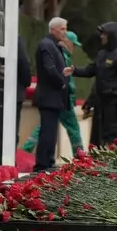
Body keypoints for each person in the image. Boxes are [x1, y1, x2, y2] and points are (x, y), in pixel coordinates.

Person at [68, 21, 117, 145]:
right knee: (97, 136)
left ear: (112, 36)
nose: (101, 36)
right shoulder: (101, 54)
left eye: (104, 34)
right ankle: (98, 163)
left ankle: (112, 163)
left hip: (113, 104)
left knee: (112, 136)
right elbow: (90, 71)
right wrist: (74, 70)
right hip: (100, 103)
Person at [32, 18, 70, 171]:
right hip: (48, 96)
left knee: (51, 132)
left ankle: (49, 161)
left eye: (65, 29)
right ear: (52, 29)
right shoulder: (46, 45)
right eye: (62, 29)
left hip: (54, 97)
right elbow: (50, 68)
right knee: (47, 132)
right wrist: (61, 83)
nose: (64, 32)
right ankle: (43, 164)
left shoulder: (54, 45)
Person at [16, 32, 32, 146]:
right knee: (11, 127)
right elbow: (24, 63)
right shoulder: (16, 39)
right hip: (14, 92)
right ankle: (9, 158)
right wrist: (26, 83)